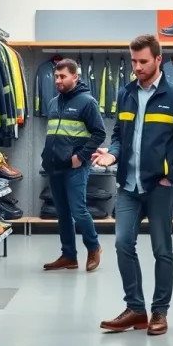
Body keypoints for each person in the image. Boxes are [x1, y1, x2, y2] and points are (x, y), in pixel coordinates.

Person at [92, 34, 173, 336]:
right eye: (133, 61)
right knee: (123, 243)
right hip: (128, 185)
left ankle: (160, 312)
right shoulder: (126, 93)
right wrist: (112, 155)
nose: (137, 67)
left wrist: (172, 176)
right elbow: (118, 136)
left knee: (162, 249)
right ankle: (136, 309)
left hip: (159, 187)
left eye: (142, 61)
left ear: (157, 60)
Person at [41, 58, 107, 273]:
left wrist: (80, 157)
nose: (58, 80)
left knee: (78, 210)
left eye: (63, 76)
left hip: (75, 166)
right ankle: (69, 255)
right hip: (54, 165)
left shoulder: (87, 102)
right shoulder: (53, 102)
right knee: (62, 213)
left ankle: (94, 247)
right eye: (56, 76)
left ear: (75, 77)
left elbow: (99, 133)